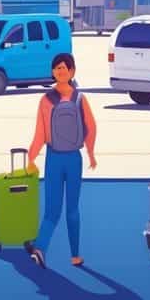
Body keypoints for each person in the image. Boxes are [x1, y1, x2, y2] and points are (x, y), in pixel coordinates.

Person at [27, 52, 97, 269]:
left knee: (52, 210)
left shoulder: (46, 101)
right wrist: (91, 152)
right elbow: (91, 128)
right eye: (58, 67)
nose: (60, 71)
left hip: (53, 158)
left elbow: (40, 133)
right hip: (74, 158)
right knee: (72, 210)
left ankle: (40, 248)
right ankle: (75, 256)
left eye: (63, 67)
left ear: (71, 71)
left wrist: (31, 157)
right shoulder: (80, 99)